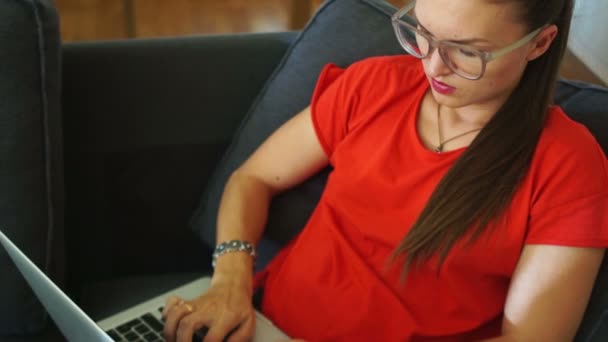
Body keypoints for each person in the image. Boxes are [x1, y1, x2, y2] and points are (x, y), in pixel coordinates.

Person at [163, 0, 608, 340]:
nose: (432, 65)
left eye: (468, 53)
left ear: (540, 43)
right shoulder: (373, 85)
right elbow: (252, 178)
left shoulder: (568, 167)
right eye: (424, 33)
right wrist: (230, 280)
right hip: (256, 324)